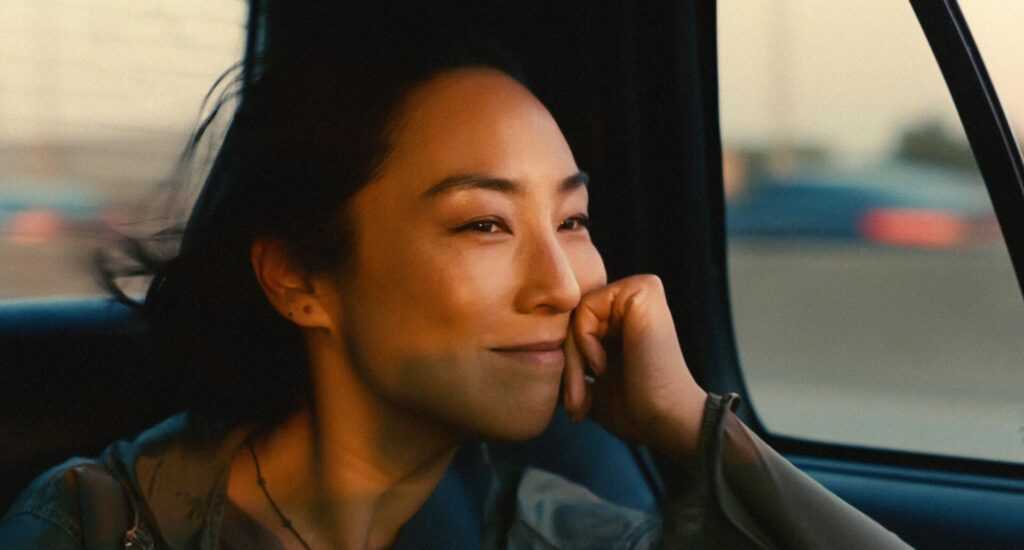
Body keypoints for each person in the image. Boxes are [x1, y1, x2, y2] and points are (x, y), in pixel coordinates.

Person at [0, 9, 912, 550]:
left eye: (572, 221)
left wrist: (688, 422)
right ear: (298, 279)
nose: (561, 286)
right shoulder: (99, 521)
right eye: (483, 223)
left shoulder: (553, 532)